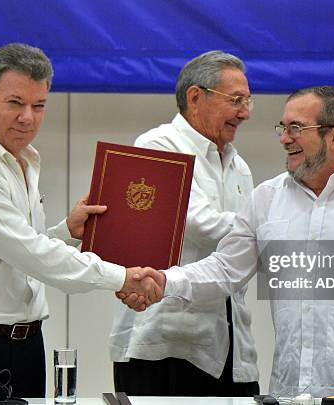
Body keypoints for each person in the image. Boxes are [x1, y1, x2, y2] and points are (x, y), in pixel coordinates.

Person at [125, 86, 334, 397]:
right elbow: (225, 269)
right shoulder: (266, 199)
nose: (283, 138)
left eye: (296, 128)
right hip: (294, 390)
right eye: (282, 127)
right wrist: (165, 280)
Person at [0, 43, 162, 398]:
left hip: (23, 346)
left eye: (39, 105)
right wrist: (122, 277)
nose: (28, 117)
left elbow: (16, 255)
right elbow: (29, 252)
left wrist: (66, 232)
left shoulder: (24, 160)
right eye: (16, 102)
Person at [110, 51, 260, 396]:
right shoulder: (158, 146)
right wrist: (269, 224)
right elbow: (201, 226)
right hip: (162, 343)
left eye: (248, 101)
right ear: (196, 97)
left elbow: (242, 253)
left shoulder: (241, 168)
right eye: (236, 100)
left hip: (231, 346)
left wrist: (259, 232)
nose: (245, 113)